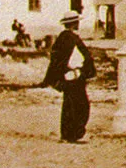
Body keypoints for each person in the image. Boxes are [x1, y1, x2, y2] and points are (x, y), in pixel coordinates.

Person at [40, 10, 96, 143]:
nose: (78, 24)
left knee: (75, 105)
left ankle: (71, 134)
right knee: (75, 106)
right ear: (73, 23)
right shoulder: (68, 38)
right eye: (76, 22)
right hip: (71, 76)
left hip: (75, 75)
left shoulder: (68, 37)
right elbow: (62, 59)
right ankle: (70, 135)